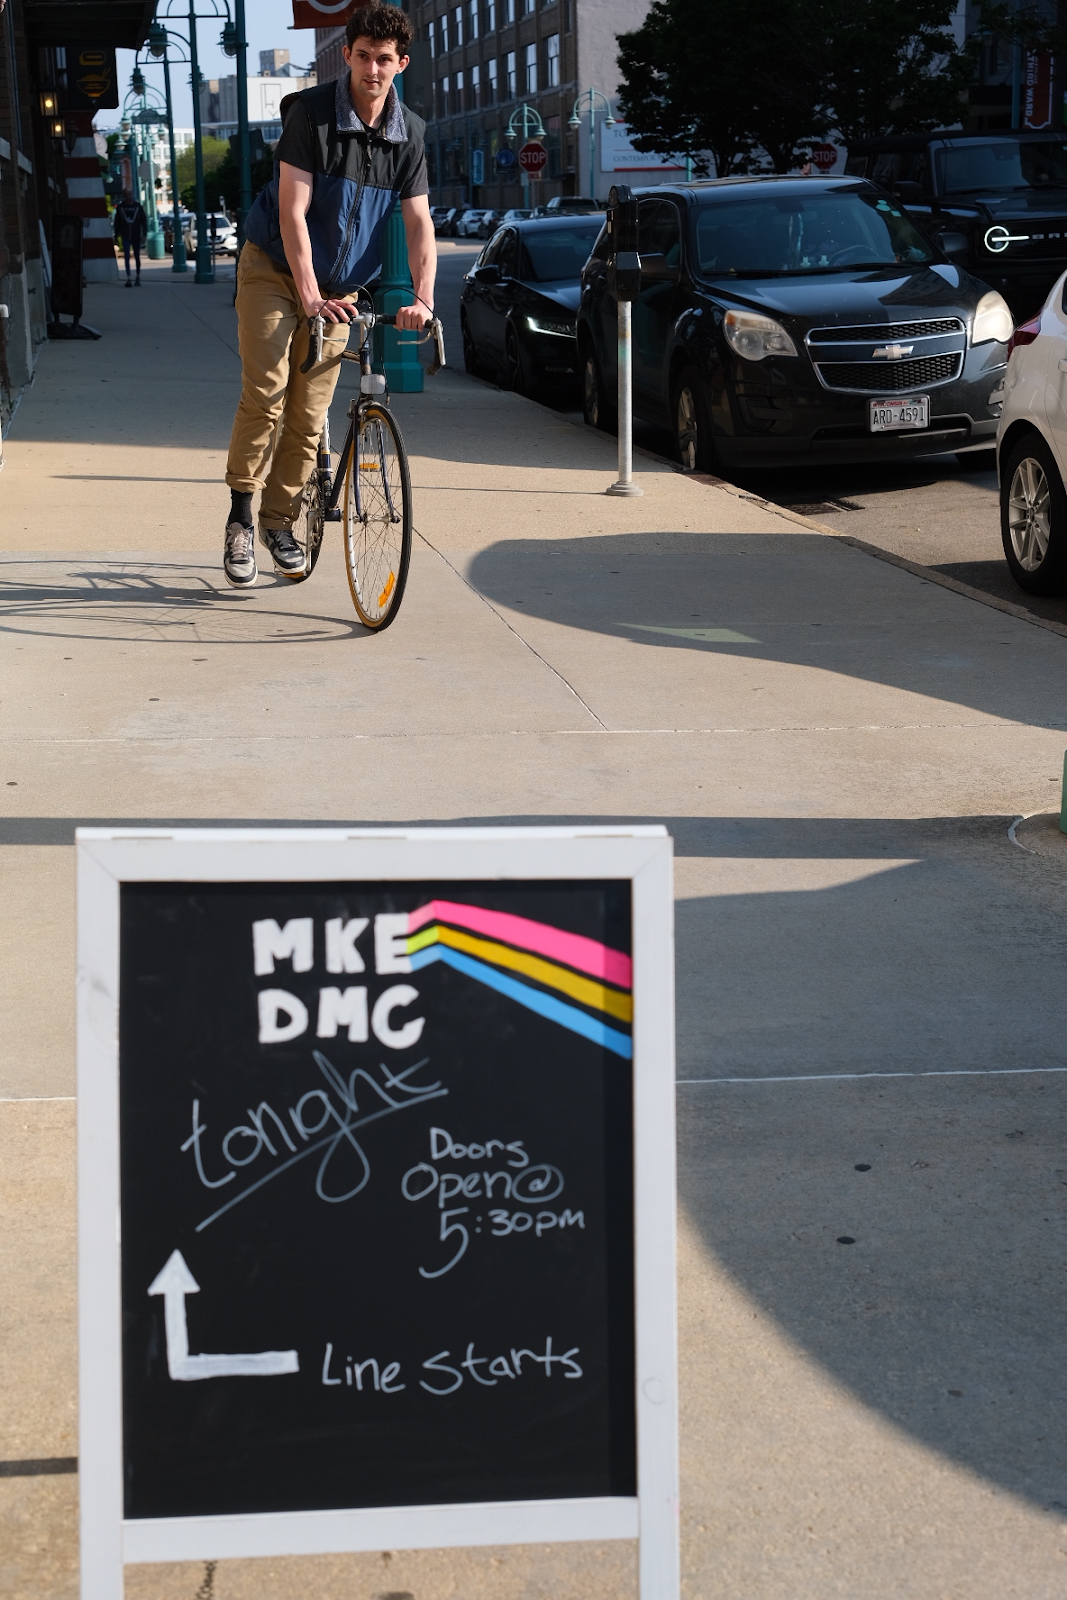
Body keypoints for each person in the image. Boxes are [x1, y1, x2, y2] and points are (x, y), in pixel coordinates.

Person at [223, 2, 436, 588]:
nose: (372, 69)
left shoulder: (410, 135)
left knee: (309, 414)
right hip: (273, 269)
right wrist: (310, 294)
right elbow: (293, 213)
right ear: (347, 55)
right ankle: (240, 516)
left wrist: (425, 299)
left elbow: (419, 224)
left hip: (339, 290)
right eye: (363, 56)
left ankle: (277, 521)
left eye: (384, 60)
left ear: (401, 64)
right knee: (266, 394)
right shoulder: (312, 115)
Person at [114, 188, 148, 287]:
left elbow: (143, 221)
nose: (127, 196)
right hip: (125, 234)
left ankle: (138, 276)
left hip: (136, 234)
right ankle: (128, 277)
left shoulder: (137, 207)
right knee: (127, 256)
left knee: (137, 256)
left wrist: (144, 234)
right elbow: (117, 222)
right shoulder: (120, 207)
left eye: (129, 194)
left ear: (132, 194)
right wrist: (116, 235)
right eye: (125, 194)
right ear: (123, 195)